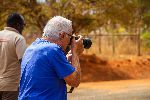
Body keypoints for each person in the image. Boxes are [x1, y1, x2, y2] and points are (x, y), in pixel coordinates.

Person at [18, 16, 84, 100]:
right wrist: (75, 53)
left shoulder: (31, 47)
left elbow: (48, 72)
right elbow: (75, 81)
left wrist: (67, 58)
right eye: (70, 37)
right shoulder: (53, 50)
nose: (70, 42)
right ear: (62, 35)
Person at [0, 13, 26, 100]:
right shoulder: (18, 38)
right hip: (11, 86)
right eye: (23, 25)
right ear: (18, 25)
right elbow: (23, 63)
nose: (23, 27)